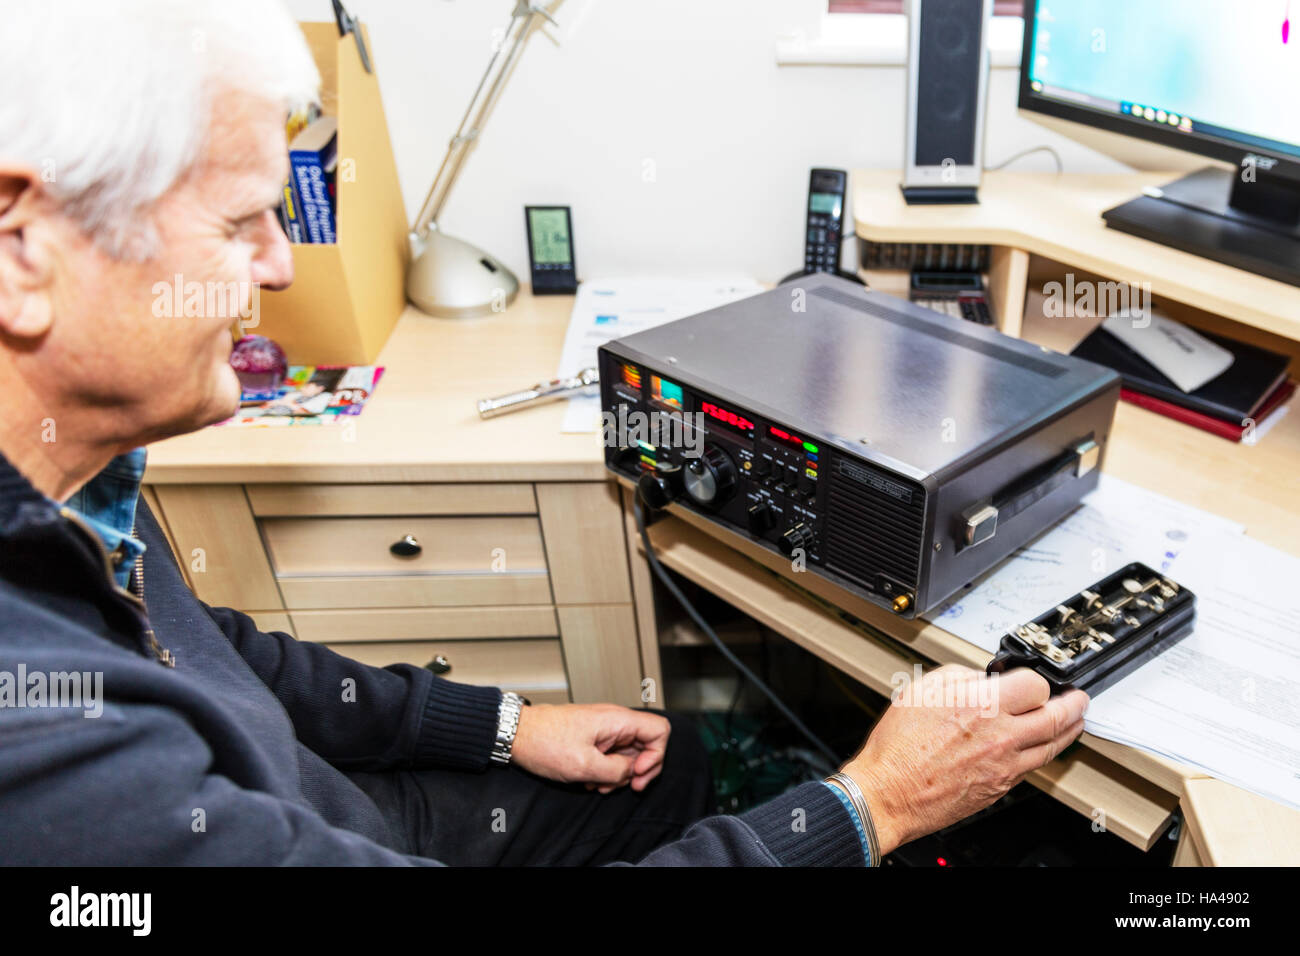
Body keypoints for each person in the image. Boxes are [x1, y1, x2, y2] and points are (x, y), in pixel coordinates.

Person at [0, 0, 1088, 866]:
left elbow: (227, 656)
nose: (282, 263)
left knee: (684, 767)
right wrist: (874, 804)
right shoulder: (56, 757)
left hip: (338, 801)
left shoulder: (79, 480)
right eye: (241, 222)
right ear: (23, 247)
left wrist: (506, 724)